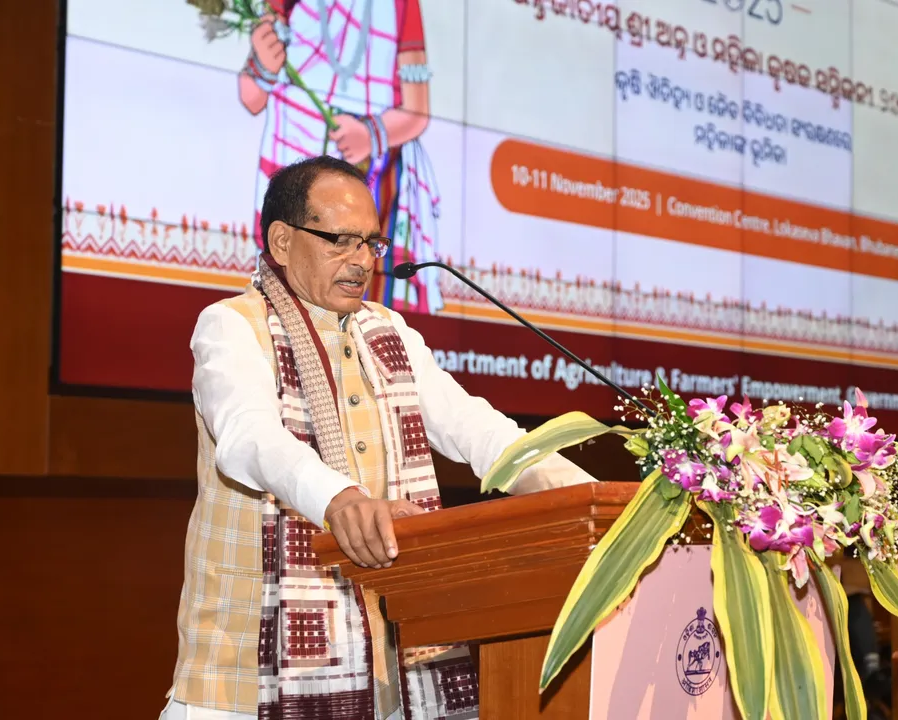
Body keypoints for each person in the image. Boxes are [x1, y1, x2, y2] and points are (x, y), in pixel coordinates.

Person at [161, 156, 596, 720]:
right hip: (245, 684)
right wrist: (338, 499)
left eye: (371, 242)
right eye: (340, 240)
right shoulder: (232, 324)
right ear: (282, 240)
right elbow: (248, 437)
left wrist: (597, 502)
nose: (362, 261)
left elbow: (484, 435)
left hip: (389, 681)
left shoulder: (389, 334)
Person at [240, 0, 444, 315]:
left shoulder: (401, 4)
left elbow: (418, 112)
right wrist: (264, 68)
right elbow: (251, 98)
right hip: (289, 154)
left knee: (370, 315)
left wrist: (370, 135)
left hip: (372, 173)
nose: (360, 257)